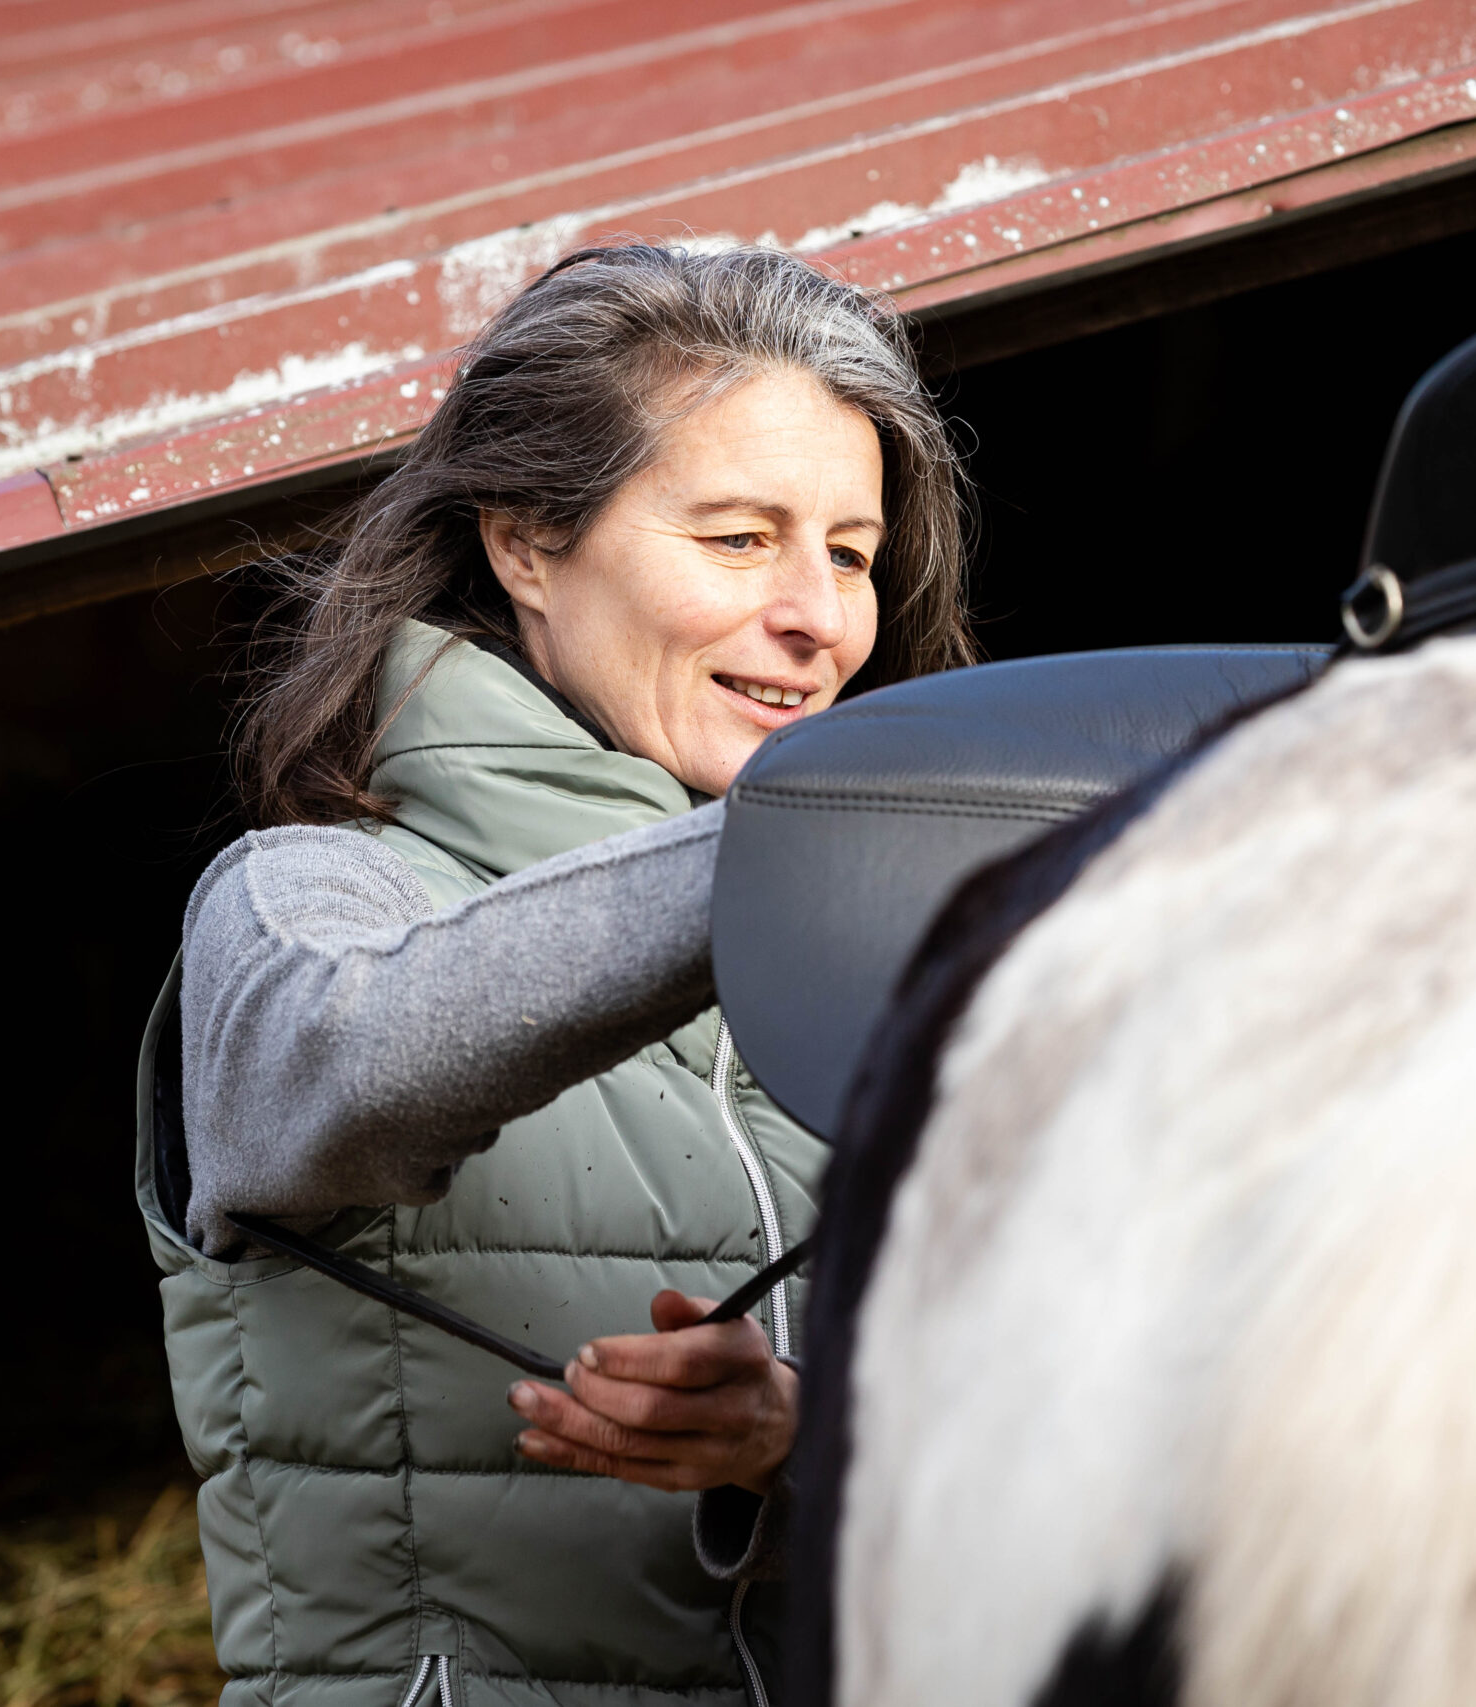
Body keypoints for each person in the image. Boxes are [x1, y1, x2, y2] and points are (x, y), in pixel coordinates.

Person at [131, 243, 974, 1707]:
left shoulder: (871, 956)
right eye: (738, 538)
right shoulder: (310, 896)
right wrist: (804, 842)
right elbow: (356, 1073)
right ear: (526, 542)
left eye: (848, 550)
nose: (823, 620)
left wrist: (797, 1432)